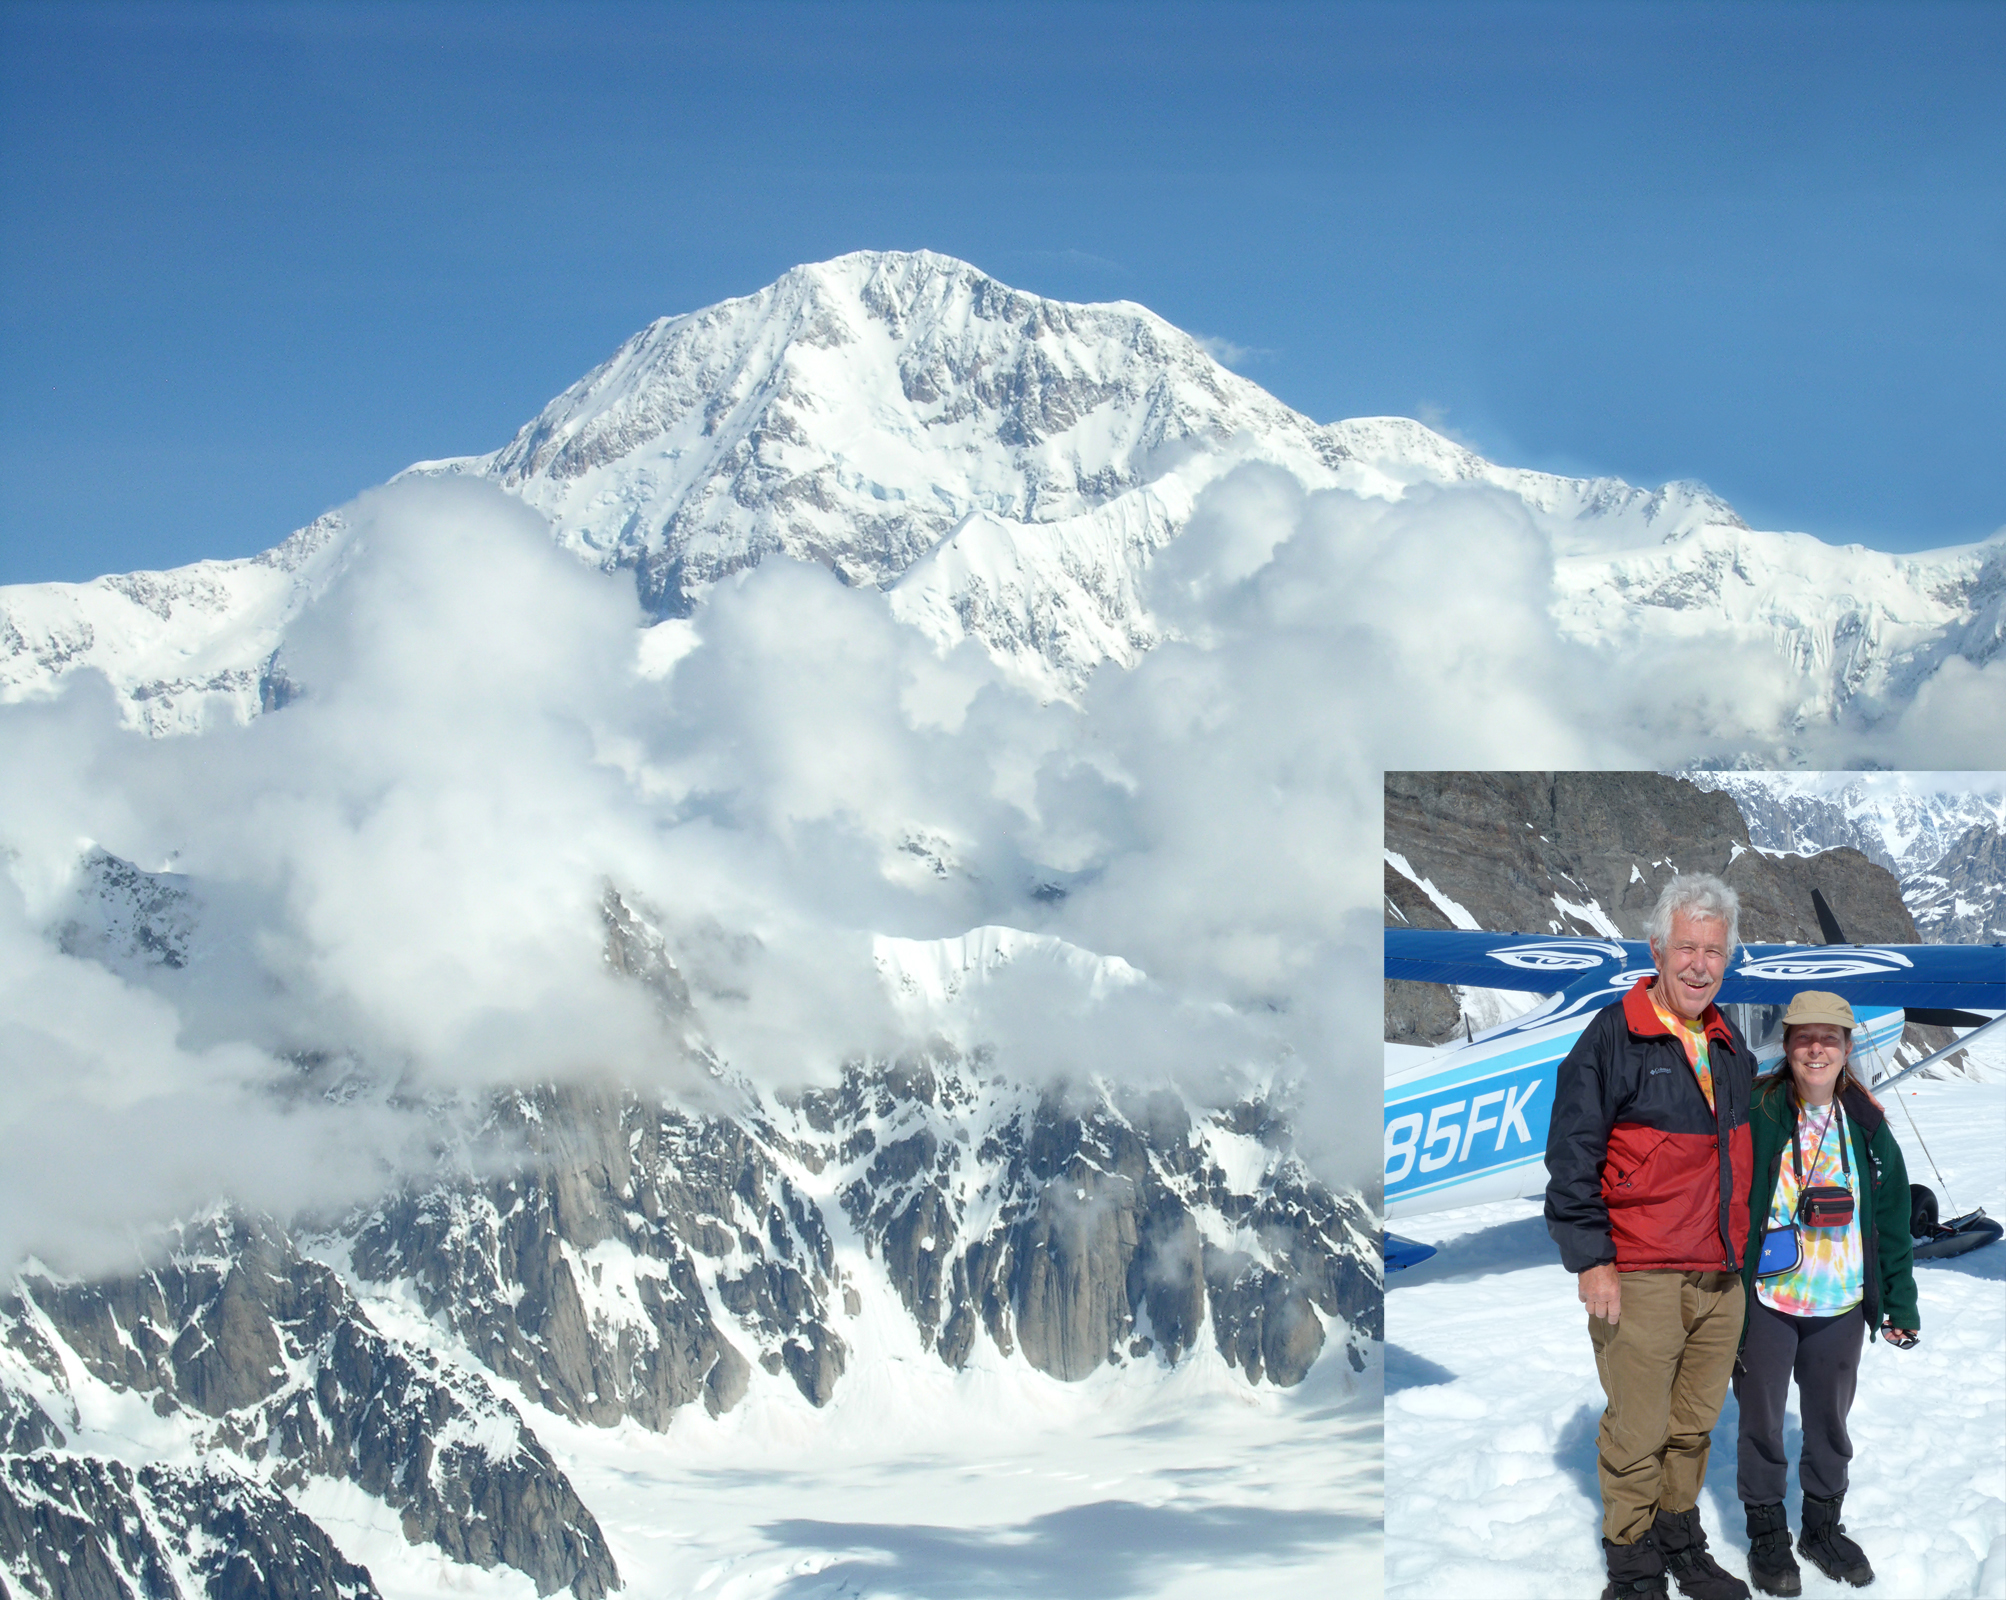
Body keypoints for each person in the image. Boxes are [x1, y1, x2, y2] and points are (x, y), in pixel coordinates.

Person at [1546, 874, 1758, 1600]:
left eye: (1715, 951)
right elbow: (1571, 1155)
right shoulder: (1614, 1036)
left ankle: (1678, 1535)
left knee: (1695, 1424)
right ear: (1657, 950)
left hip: (1719, 1276)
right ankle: (1632, 1559)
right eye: (1687, 948)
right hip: (1640, 1273)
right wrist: (1592, 1259)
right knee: (1638, 1429)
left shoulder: (1730, 1047)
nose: (1701, 964)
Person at [1734, 991, 1918, 1596]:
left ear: (1846, 1049)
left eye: (1830, 1038)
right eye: (1804, 1037)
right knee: (1760, 1421)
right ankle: (1766, 1533)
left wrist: (1899, 1302)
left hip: (1840, 1301)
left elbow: (1890, 1220)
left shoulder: (1866, 1122)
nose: (1817, 1049)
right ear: (1786, 1045)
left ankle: (1821, 1527)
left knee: (1829, 1424)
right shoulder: (1757, 1107)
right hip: (1767, 1298)